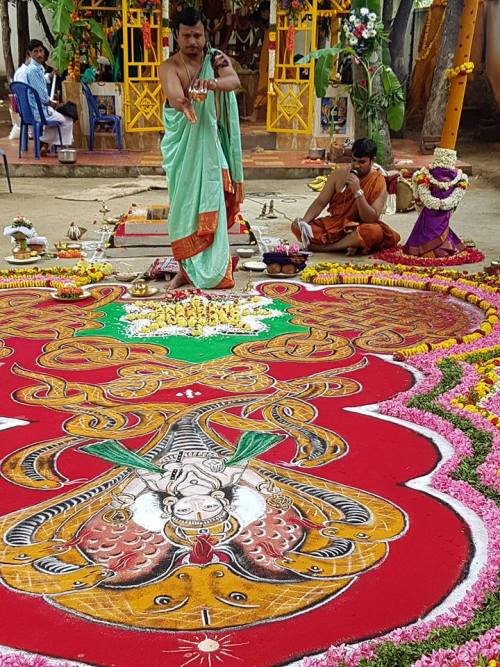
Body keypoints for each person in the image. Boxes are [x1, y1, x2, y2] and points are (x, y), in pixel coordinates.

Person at [159, 6, 244, 290]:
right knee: (182, 211)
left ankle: (216, 268)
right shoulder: (169, 66)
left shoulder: (216, 58)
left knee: (214, 199)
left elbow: (234, 81)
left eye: (198, 35)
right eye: (187, 36)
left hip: (210, 146)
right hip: (182, 149)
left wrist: (213, 83)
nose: (193, 41)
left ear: (205, 35)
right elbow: (173, 94)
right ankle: (185, 269)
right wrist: (183, 101)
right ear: (177, 36)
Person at [291, 138, 400, 255]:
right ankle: (351, 244)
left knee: (374, 232)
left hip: (361, 227)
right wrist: (304, 223)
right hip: (336, 225)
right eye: (354, 160)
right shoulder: (339, 174)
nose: (356, 165)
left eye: (362, 162)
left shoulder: (379, 181)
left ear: (372, 161)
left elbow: (371, 219)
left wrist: (358, 191)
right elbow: (321, 202)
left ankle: (328, 248)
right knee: (296, 226)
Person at [24, 39, 73, 156]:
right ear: (30, 53)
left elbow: (41, 81)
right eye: (36, 52)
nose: (40, 54)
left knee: (63, 119)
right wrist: (54, 104)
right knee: (67, 120)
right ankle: (47, 143)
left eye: (41, 51)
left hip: (38, 108)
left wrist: (50, 75)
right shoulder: (33, 70)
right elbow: (42, 98)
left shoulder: (36, 68)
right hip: (39, 111)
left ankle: (45, 144)